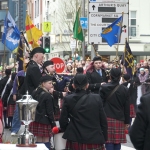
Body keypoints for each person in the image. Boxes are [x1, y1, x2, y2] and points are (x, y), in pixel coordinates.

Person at [59, 74, 107, 150]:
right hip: (94, 137)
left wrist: (69, 130)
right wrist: (104, 136)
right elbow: (103, 120)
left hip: (75, 137)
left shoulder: (68, 99)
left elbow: (63, 121)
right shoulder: (96, 98)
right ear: (87, 85)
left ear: (73, 85)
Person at [100, 68, 130, 150]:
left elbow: (100, 105)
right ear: (120, 76)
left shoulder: (103, 87)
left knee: (108, 141)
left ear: (110, 76)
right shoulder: (125, 89)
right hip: (119, 117)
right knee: (117, 141)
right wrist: (127, 121)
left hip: (106, 116)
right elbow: (127, 107)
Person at [29, 75, 56, 150]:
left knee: (38, 139)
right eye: (49, 83)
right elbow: (50, 111)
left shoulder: (34, 92)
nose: (51, 85)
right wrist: (53, 123)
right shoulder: (47, 95)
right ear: (43, 84)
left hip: (35, 119)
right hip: (45, 120)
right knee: (46, 140)